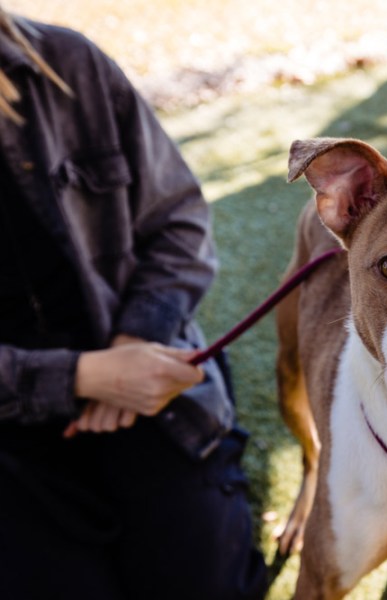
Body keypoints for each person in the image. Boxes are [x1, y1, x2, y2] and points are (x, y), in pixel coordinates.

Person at [0, 7, 268, 599]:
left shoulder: (68, 64)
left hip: (139, 380)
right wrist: (81, 377)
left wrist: (131, 347)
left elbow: (179, 222)